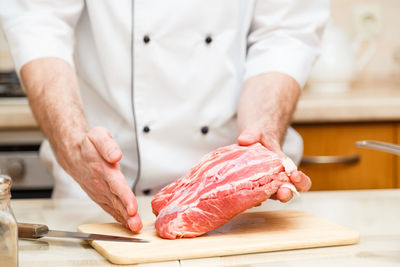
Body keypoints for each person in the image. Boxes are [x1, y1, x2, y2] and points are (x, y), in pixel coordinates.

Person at [0, 1, 329, 233]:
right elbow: (38, 21)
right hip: (99, 196)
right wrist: (73, 145)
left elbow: (285, 31)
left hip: (244, 210)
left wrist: (256, 152)